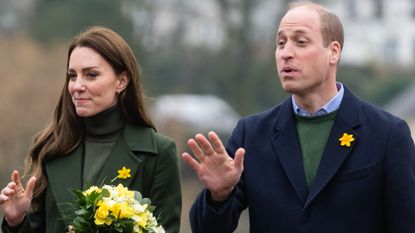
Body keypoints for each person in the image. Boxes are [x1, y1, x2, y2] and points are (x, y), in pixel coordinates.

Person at [182, 2, 415, 233]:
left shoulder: (387, 134)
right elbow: (206, 229)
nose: (286, 53)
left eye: (300, 42)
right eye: (280, 43)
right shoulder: (250, 134)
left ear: (333, 51)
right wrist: (219, 195)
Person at [0, 26, 182, 233]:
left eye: (91, 75)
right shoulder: (52, 148)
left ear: (122, 81)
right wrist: (16, 222)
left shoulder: (158, 153)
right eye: (72, 75)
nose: (77, 86)